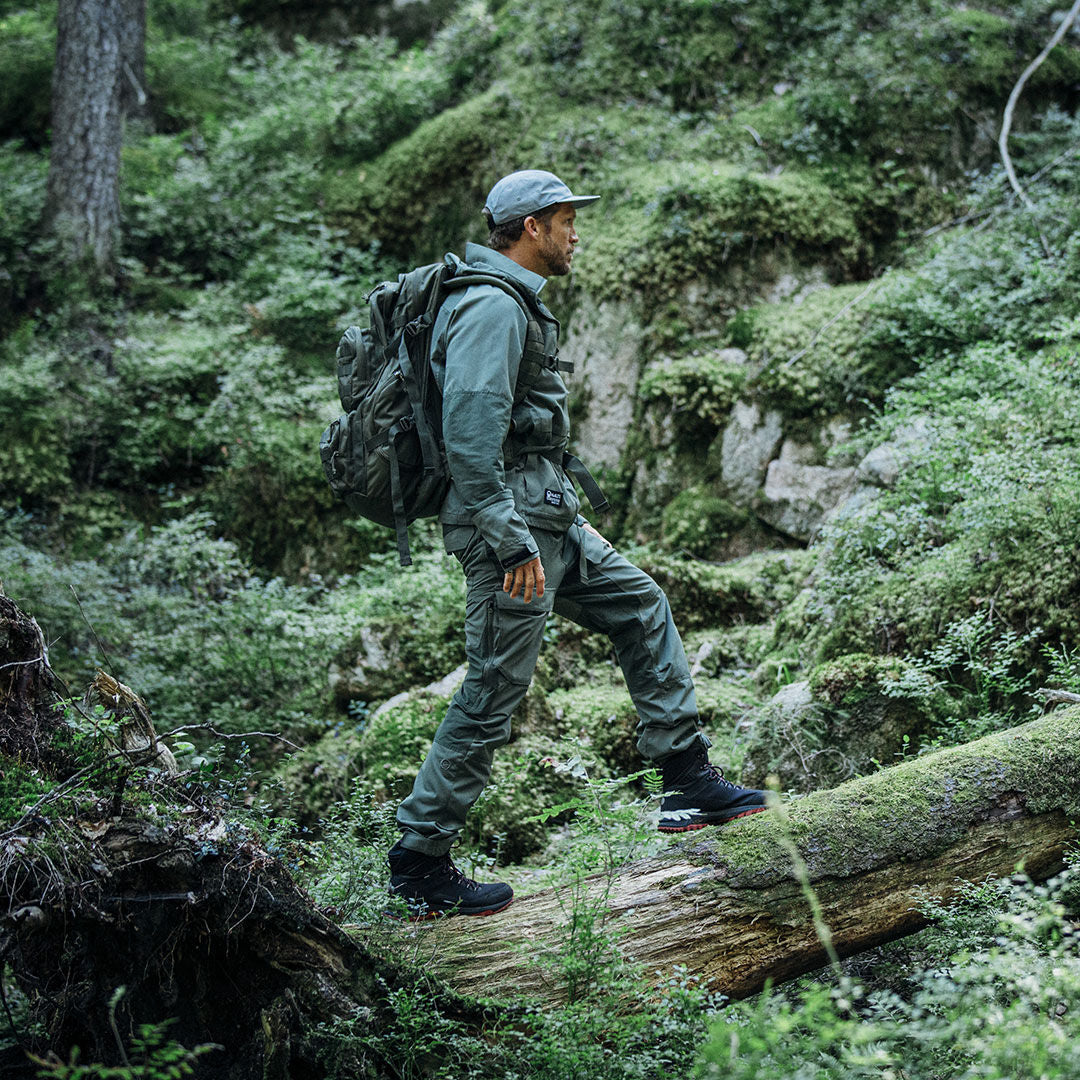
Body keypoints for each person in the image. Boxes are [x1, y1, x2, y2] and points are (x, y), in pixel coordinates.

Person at [387, 169, 765, 919]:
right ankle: (418, 863)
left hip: (545, 515)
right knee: (494, 693)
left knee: (640, 605)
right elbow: (469, 434)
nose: (575, 234)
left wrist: (550, 520)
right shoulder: (491, 307)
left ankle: (687, 783)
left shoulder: (511, 300)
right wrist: (511, 541)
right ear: (532, 228)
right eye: (565, 221)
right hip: (512, 532)